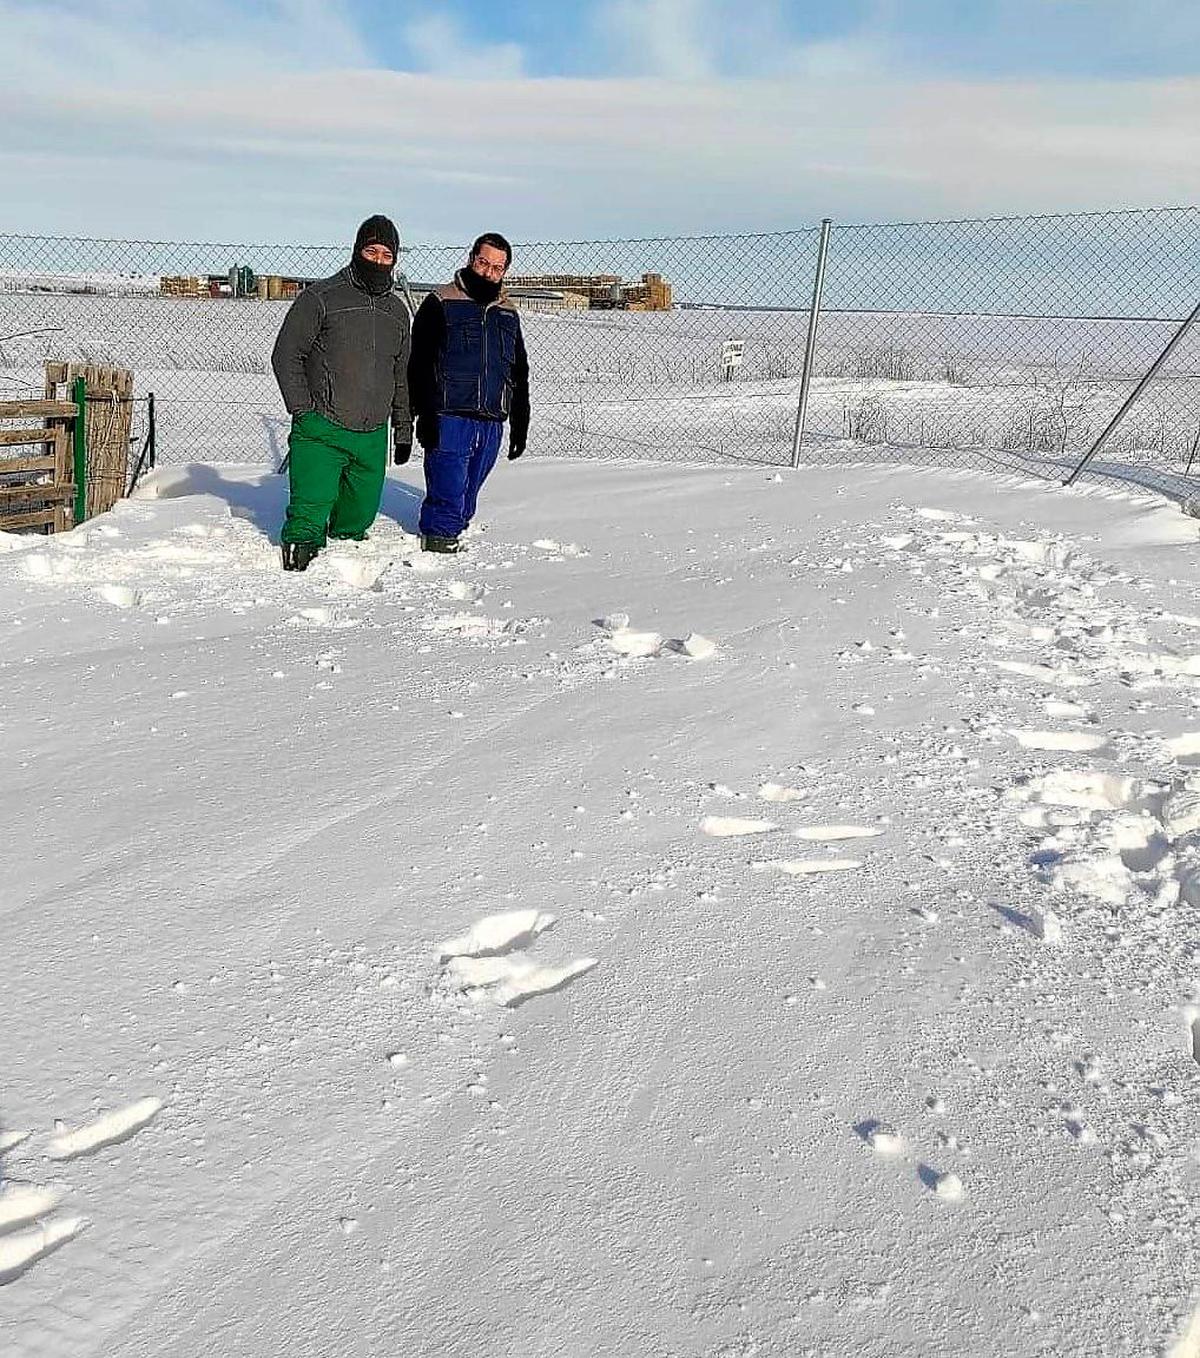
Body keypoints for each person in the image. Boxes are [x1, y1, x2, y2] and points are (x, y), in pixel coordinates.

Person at [271, 215, 412, 571]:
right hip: (323, 427)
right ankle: (296, 572)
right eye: (371, 251)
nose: (378, 261)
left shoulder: (397, 312)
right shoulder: (321, 297)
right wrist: (303, 409)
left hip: (372, 433)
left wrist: (403, 425)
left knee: (357, 521)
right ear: (356, 250)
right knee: (308, 518)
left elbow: (401, 373)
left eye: (386, 255)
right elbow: (286, 354)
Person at [406, 232, 530, 553]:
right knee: (448, 482)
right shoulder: (441, 301)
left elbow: (518, 369)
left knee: (471, 485)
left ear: (505, 271)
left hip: (491, 416)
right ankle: (439, 539)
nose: (488, 272)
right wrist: (424, 414)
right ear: (471, 258)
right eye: (483, 263)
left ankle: (456, 526)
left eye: (497, 268)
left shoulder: (507, 312)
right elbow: (419, 361)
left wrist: (520, 419)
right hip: (449, 413)